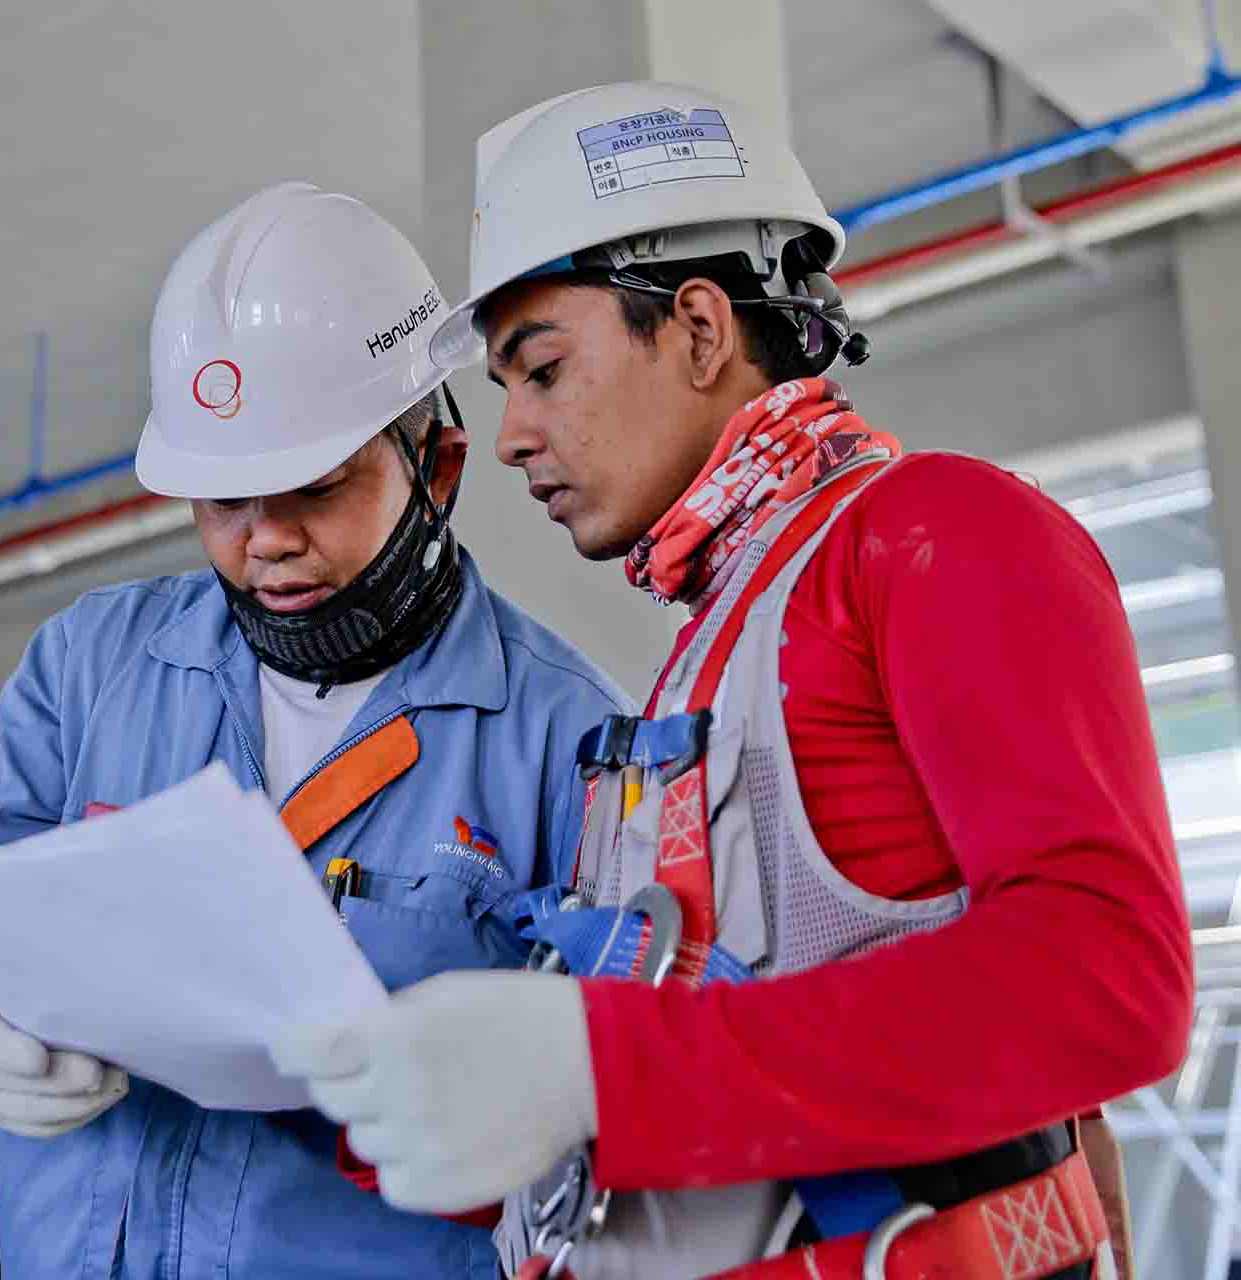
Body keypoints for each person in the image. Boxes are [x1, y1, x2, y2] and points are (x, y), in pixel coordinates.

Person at [270, 84, 1192, 1279]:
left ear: (700, 328)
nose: (509, 437)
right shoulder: (709, 658)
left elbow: (1108, 975)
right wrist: (456, 1093)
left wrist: (596, 1068)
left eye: (540, 370)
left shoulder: (935, 535)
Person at [0, 182, 631, 1278]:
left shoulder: (566, 738)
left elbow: (615, 1095)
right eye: (223, 500)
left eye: (313, 489)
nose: (264, 540)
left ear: (439, 469)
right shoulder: (91, 666)